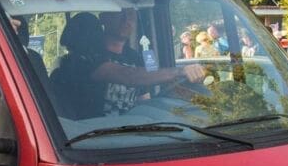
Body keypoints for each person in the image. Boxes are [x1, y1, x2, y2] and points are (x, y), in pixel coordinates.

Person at [52, 12, 205, 120]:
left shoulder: (135, 57)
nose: (127, 20)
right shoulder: (85, 57)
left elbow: (143, 98)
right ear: (104, 18)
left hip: (130, 132)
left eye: (131, 15)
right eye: (120, 14)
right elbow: (128, 75)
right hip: (93, 136)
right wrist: (179, 71)